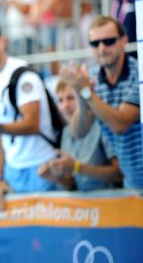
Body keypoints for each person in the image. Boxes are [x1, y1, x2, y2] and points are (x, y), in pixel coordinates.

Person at [0, 20, 58, 211]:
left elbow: (32, 124)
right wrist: (0, 177)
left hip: (43, 165)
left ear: (2, 42)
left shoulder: (24, 75)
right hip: (13, 171)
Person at [59, 16, 143, 189]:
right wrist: (81, 97)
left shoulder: (139, 74)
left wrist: (86, 92)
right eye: (95, 43)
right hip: (132, 183)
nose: (102, 48)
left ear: (124, 41)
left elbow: (120, 123)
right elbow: (78, 131)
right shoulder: (92, 79)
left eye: (109, 41)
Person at [38, 81, 122, 190]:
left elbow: (119, 174)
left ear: (83, 100)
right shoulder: (66, 132)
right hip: (85, 204)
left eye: (71, 98)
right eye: (60, 100)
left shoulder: (101, 125)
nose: (65, 106)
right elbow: (72, 184)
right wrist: (55, 177)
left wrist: (78, 167)